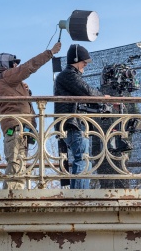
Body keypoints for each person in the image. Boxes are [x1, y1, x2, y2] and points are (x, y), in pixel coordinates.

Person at [0, 42, 62, 189]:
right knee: (15, 164)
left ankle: (16, 194)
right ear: (6, 65)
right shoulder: (5, 77)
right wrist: (50, 53)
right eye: (13, 64)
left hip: (19, 128)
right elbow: (28, 67)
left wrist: (25, 91)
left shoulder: (6, 82)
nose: (16, 66)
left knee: (18, 164)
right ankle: (11, 200)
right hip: (16, 127)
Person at [54, 44, 103, 189]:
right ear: (76, 60)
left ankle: (77, 192)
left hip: (74, 123)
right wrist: (103, 97)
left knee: (81, 158)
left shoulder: (68, 75)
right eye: (84, 62)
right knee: (82, 158)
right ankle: (80, 193)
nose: (85, 65)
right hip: (73, 124)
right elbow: (86, 91)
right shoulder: (68, 75)